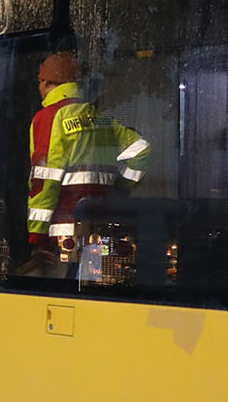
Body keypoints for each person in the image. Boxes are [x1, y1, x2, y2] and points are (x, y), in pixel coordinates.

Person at [23, 51, 151, 277]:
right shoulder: (99, 118)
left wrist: (37, 237)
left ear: (47, 83)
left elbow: (45, 180)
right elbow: (143, 149)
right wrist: (120, 190)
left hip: (61, 234)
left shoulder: (49, 117)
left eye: (40, 82)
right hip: (98, 226)